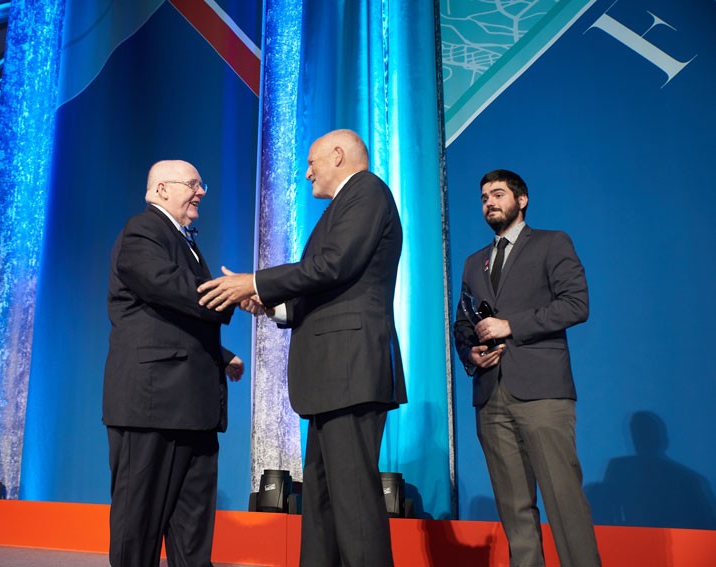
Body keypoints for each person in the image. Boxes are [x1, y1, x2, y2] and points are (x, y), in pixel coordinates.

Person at [198, 129, 406, 567]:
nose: (307, 171)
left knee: (353, 505)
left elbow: (333, 265)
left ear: (338, 155)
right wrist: (270, 305)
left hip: (352, 369)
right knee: (322, 503)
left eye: (312, 161)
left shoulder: (367, 191)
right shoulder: (343, 206)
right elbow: (331, 283)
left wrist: (254, 281)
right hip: (335, 375)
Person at [453, 169, 601, 566]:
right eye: (483, 197)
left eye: (498, 194)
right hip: (490, 395)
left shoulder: (553, 244)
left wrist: (511, 326)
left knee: (564, 502)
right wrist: (471, 354)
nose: (489, 202)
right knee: (515, 510)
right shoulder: (473, 263)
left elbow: (576, 305)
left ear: (522, 200)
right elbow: (463, 323)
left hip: (542, 393)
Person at [103, 160, 243, 567]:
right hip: (151, 404)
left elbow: (168, 319)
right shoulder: (142, 229)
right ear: (162, 189)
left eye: (203, 184)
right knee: (139, 528)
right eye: (194, 184)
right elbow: (165, 286)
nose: (201, 192)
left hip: (192, 408)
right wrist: (233, 293)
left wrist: (220, 355)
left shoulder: (185, 239)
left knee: (193, 529)